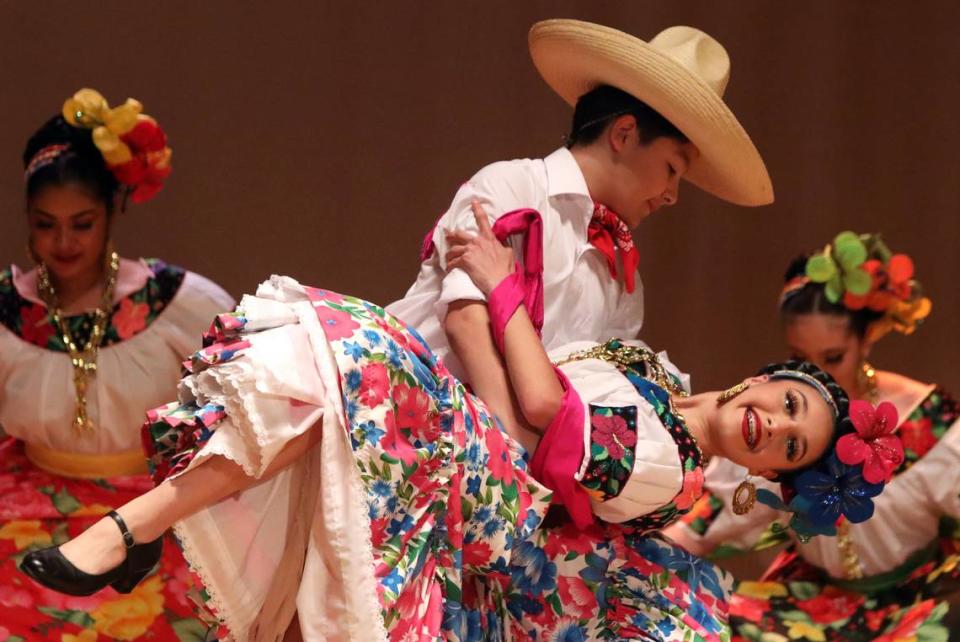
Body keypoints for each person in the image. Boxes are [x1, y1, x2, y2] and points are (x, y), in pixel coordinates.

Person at [18, 216, 886, 640]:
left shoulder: (672, 470)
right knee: (326, 380)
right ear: (771, 378)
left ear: (775, 473)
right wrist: (478, 322)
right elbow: (530, 382)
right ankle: (132, 526)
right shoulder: (652, 371)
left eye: (790, 446)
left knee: (360, 345)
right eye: (789, 406)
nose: (772, 427)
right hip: (477, 442)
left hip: (497, 511)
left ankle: (130, 527)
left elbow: (546, 418)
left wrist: (493, 300)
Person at [387, 19, 773, 451]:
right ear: (624, 134)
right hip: (404, 406)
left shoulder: (622, 277)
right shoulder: (513, 186)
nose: (672, 196)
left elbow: (582, 394)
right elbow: (465, 321)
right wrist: (508, 450)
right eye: (672, 170)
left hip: (480, 460)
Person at [1, 89, 235, 639]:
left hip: (154, 506)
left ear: (113, 212)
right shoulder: (8, 309)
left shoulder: (179, 302)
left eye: (81, 223)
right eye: (44, 224)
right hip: (26, 500)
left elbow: (238, 415)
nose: (62, 242)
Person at [666, 231, 958, 639]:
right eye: (801, 359)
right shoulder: (788, 422)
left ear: (867, 337)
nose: (821, 372)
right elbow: (722, 509)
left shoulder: (925, 418)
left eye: (834, 357)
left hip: (913, 602)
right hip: (814, 601)